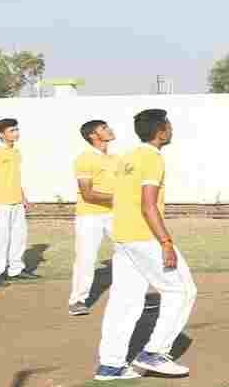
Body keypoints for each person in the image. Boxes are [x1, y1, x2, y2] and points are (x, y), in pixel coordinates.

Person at [95, 109, 197, 380]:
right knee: (181, 290)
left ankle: (111, 365)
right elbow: (148, 204)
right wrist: (166, 242)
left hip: (123, 236)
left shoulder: (127, 158)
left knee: (124, 301)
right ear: (160, 132)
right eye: (169, 126)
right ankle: (154, 353)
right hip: (144, 236)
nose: (171, 130)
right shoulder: (152, 158)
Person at [68, 120, 118, 316]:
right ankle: (77, 301)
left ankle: (136, 297)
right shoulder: (84, 159)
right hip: (90, 216)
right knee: (86, 258)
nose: (110, 129)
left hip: (115, 214)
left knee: (131, 252)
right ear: (93, 135)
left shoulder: (116, 159)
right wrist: (119, 198)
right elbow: (87, 194)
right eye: (104, 128)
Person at [0, 118, 34, 285]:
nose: (16, 133)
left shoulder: (16, 152)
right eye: (11, 130)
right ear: (1, 134)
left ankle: (15, 270)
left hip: (16, 202)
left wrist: (23, 197)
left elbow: (14, 177)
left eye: (16, 129)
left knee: (19, 237)